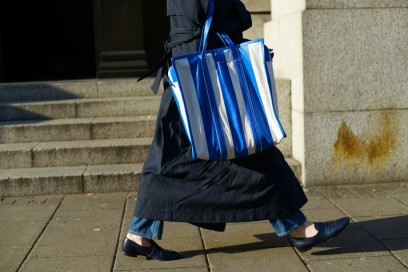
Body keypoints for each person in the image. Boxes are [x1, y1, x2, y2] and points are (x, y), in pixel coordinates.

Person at [122, 0, 350, 261]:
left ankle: (138, 234)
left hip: (195, 68)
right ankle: (299, 228)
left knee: (174, 157)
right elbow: (199, 14)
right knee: (245, 150)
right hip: (201, 74)